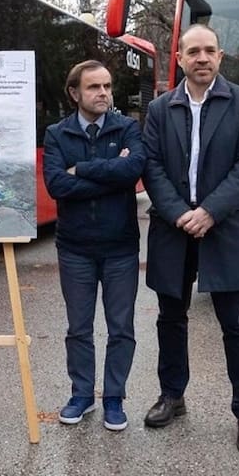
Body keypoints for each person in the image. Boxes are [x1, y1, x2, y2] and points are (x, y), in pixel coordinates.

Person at [141, 24, 239, 454]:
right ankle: (172, 396)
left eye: (209, 50)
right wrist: (180, 213)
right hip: (173, 229)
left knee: (236, 323)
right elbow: (152, 166)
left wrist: (210, 211)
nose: (202, 58)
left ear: (220, 56)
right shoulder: (160, 109)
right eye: (193, 51)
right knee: (170, 318)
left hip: (225, 227)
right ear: (179, 58)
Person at [42, 60, 145, 431]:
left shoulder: (127, 127)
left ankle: (114, 398)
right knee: (79, 328)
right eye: (94, 87)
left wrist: (82, 169)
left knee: (121, 328)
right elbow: (56, 185)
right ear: (74, 93)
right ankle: (82, 395)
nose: (103, 93)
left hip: (120, 247)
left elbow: (133, 172)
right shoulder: (57, 134)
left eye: (107, 86)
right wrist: (110, 172)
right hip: (75, 248)